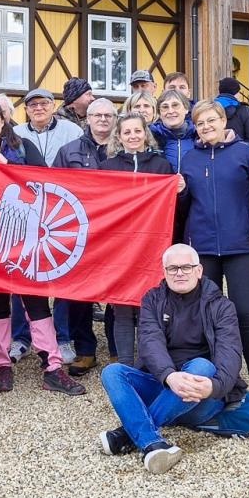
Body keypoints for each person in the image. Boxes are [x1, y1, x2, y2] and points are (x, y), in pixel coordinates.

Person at [98, 244, 249, 474]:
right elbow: (150, 343)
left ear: (199, 270)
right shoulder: (152, 300)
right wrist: (169, 377)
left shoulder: (222, 306)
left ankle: (128, 433)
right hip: (164, 385)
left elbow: (230, 352)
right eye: (172, 268)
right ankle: (152, 443)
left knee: (201, 366)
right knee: (112, 372)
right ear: (164, 272)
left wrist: (214, 386)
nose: (179, 273)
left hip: (201, 394)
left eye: (186, 267)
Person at [0, 101, 84, 395]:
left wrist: (10, 168)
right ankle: (2, 364)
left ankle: (52, 365)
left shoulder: (22, 147)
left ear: (4, 119)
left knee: (36, 301)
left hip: (26, 237)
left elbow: (46, 181)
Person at [179, 101, 249, 407]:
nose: (206, 127)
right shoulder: (189, 158)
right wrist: (179, 192)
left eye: (211, 121)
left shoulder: (246, 153)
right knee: (210, 316)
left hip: (241, 245)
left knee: (245, 312)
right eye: (200, 123)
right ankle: (223, 381)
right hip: (202, 248)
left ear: (223, 121)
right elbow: (182, 209)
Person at [98, 113, 178, 367]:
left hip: (151, 246)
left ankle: (147, 365)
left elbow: (174, 206)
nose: (133, 136)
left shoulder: (161, 165)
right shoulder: (108, 167)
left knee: (149, 308)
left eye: (137, 131)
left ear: (146, 134)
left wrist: (180, 191)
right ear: (119, 137)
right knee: (121, 307)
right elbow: (98, 203)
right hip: (118, 247)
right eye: (127, 132)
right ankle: (124, 365)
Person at [53, 97, 117, 370]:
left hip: (117, 232)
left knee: (118, 292)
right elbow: (55, 188)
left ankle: (118, 349)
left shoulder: (125, 149)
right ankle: (85, 349)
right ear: (87, 119)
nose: (102, 119)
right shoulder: (69, 151)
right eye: (97, 115)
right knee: (79, 293)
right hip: (80, 233)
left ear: (115, 119)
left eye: (108, 115)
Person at [14, 87, 83, 166]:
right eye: (33, 104)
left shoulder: (72, 130)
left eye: (44, 103)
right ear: (26, 110)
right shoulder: (16, 133)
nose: (39, 108)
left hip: (62, 177)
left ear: (53, 105)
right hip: (28, 178)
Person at [150, 90, 198, 173]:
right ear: (159, 113)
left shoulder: (198, 136)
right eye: (165, 107)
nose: (170, 111)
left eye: (175, 105)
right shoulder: (151, 137)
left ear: (186, 109)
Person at [214, 77, 249, 150]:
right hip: (239, 156)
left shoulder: (211, 110)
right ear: (236, 93)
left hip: (215, 155)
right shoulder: (245, 111)